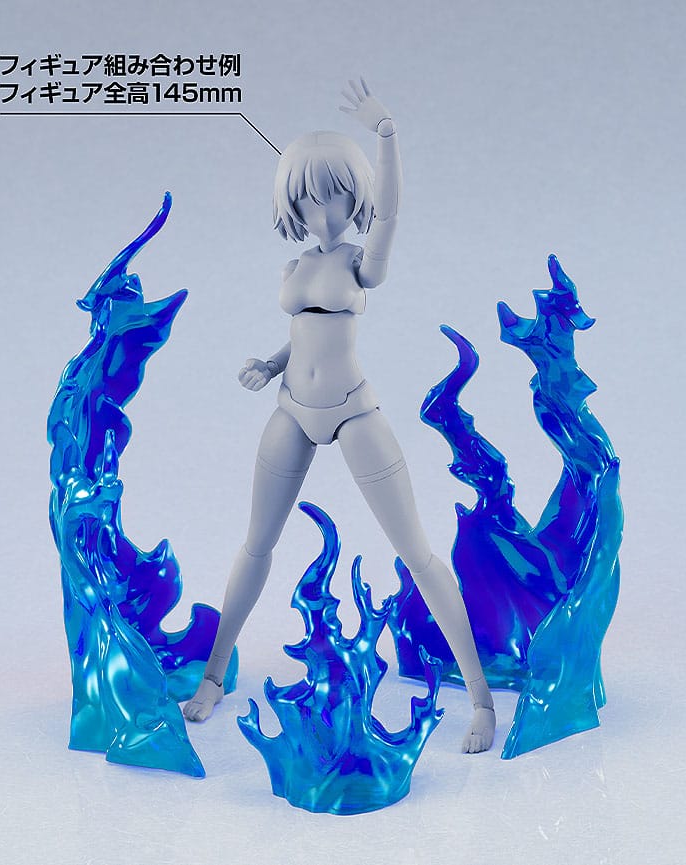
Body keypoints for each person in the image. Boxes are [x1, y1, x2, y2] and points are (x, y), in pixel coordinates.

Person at [184, 79, 495, 753]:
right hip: (292, 408)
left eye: (331, 194)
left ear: (353, 195)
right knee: (255, 544)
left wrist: (386, 134)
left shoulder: (362, 262)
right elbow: (303, 333)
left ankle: (480, 698)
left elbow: (391, 217)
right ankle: (212, 676)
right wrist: (269, 365)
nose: (318, 209)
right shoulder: (296, 265)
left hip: (353, 410)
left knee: (415, 550)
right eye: (305, 196)